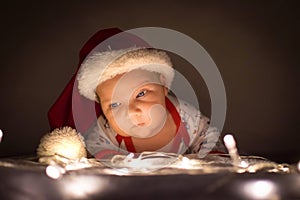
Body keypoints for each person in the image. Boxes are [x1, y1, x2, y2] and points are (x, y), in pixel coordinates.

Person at [48, 27, 225, 159]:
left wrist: (206, 159)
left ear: (163, 86)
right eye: (115, 104)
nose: (132, 111)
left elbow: (209, 137)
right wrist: (116, 162)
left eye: (141, 94)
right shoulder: (106, 132)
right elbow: (96, 153)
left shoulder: (185, 116)